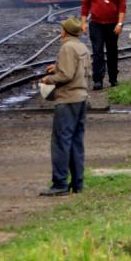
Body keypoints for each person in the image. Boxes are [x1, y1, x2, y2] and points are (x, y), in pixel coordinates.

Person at [39, 16, 90, 196]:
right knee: (76, 142)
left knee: (61, 142)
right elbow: (80, 69)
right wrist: (58, 67)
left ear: (65, 32)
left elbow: (66, 75)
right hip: (81, 98)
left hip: (67, 99)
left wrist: (49, 79)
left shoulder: (67, 47)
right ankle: (78, 183)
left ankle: (60, 183)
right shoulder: (82, 47)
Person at [81, 0, 126, 90]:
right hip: (96, 24)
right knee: (97, 51)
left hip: (112, 24)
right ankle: (98, 80)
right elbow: (85, 5)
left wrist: (120, 23)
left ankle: (113, 78)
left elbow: (122, 6)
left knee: (112, 51)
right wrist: (83, 23)